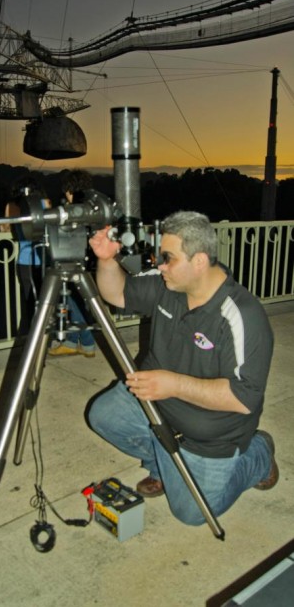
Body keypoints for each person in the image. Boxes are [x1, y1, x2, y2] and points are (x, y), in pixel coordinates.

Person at [87, 211, 278, 526]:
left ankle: (258, 455)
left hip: (209, 436)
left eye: (168, 258)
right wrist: (107, 261)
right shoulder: (168, 284)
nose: (160, 265)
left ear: (199, 261)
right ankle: (161, 465)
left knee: (190, 513)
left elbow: (244, 398)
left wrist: (173, 385)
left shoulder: (242, 315)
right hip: (155, 402)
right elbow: (116, 294)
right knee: (103, 415)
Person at [49, 169, 96, 358]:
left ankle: (87, 342)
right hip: (88, 262)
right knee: (75, 302)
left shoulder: (74, 211)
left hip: (74, 261)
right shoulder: (92, 208)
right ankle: (72, 341)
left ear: (71, 190)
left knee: (73, 302)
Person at [0, 178, 51, 336]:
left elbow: (3, 229)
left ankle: (30, 338)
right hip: (45, 259)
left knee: (30, 302)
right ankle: (43, 337)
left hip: (25, 261)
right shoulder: (45, 203)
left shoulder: (12, 206)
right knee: (46, 301)